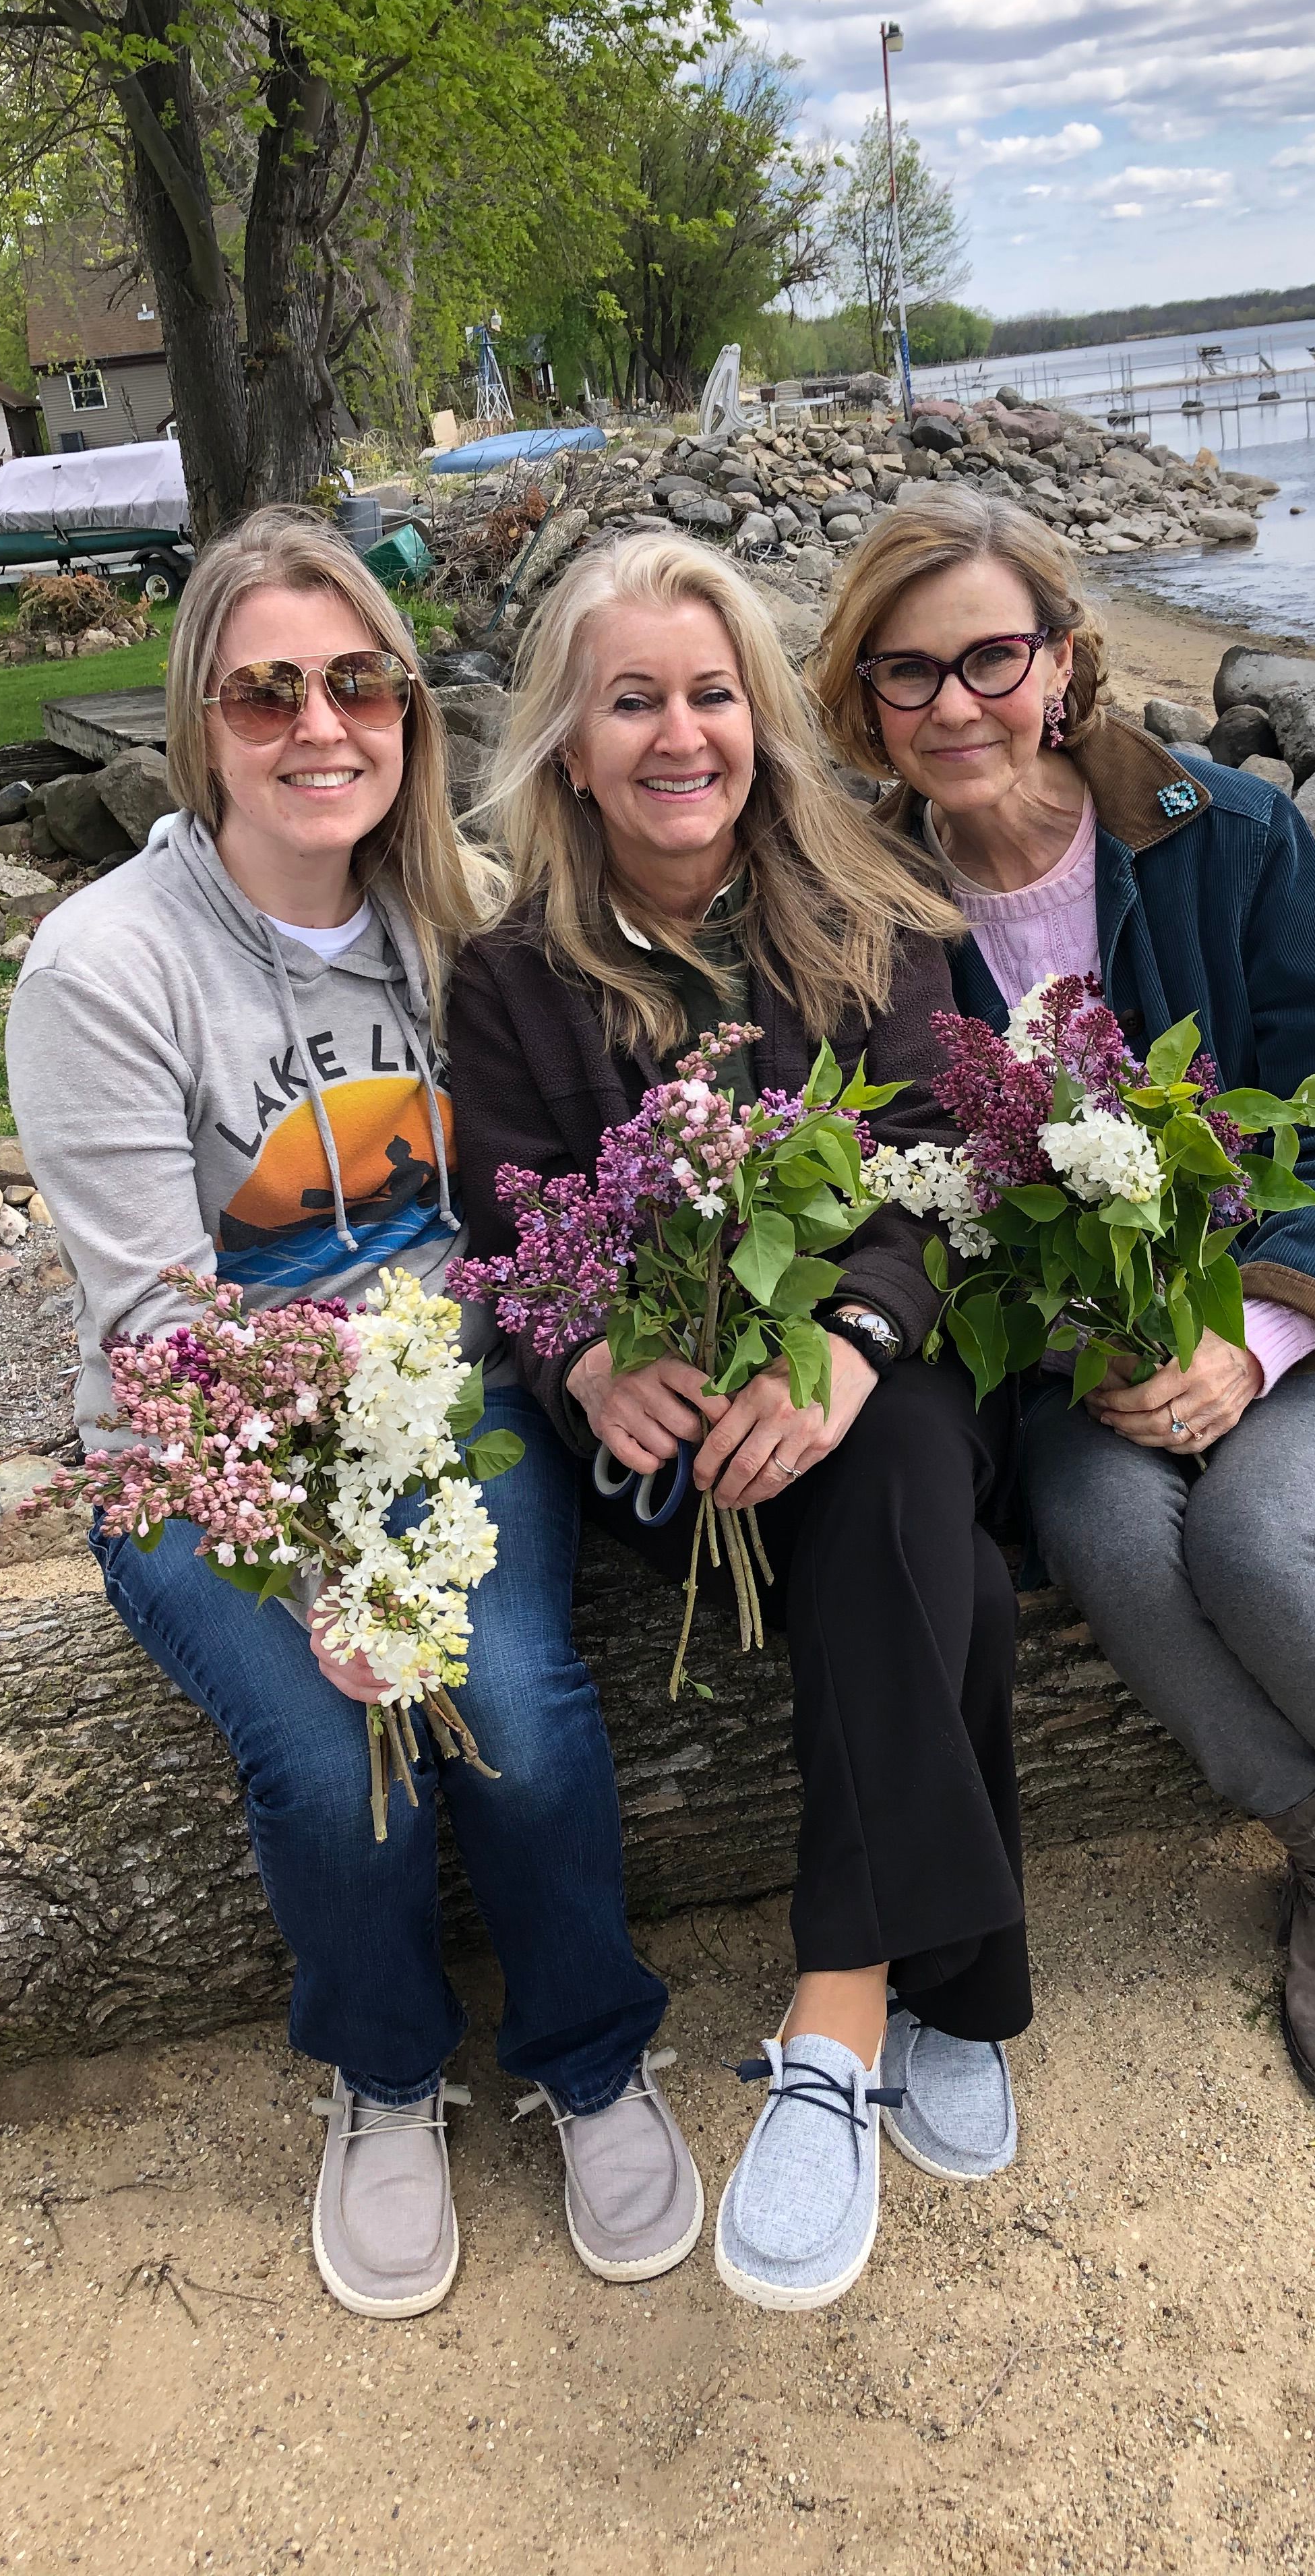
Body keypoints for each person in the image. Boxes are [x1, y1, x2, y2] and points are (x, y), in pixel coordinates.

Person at [811, 487, 1315, 2116]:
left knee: (1255, 1539)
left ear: (1061, 658)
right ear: (863, 700)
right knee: (1107, 1537)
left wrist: (1247, 1340)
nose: (954, 704)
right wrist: (1072, 1335)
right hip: (1057, 1353)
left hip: (1286, 1315)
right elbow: (883, 1170)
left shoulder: (1224, 836)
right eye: (906, 674)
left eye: (989, 657)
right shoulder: (862, 899)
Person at [7, 506, 700, 2323]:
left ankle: (588, 2052)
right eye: (266, 694)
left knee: (521, 1712)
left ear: (407, 705)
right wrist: (327, 1559)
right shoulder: (106, 967)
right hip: (200, 1451)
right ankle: (389, 2079)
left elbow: (560, 1173)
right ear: (202, 722)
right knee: (338, 1756)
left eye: (359, 683)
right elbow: (162, 1325)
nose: (323, 728)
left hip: (452, 1412)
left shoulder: (456, 916)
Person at [450, 530, 1030, 2313]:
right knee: (945, 1560)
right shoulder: (515, 979)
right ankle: (970, 1979)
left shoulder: (877, 915)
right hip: (675, 1442)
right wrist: (591, 1368)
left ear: (766, 722)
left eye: (712, 695)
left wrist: (853, 1332)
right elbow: (509, 1220)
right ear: (570, 736)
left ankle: (837, 2011)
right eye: (634, 701)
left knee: (909, 1464)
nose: (679, 735)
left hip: (879, 1380)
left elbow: (943, 1184)